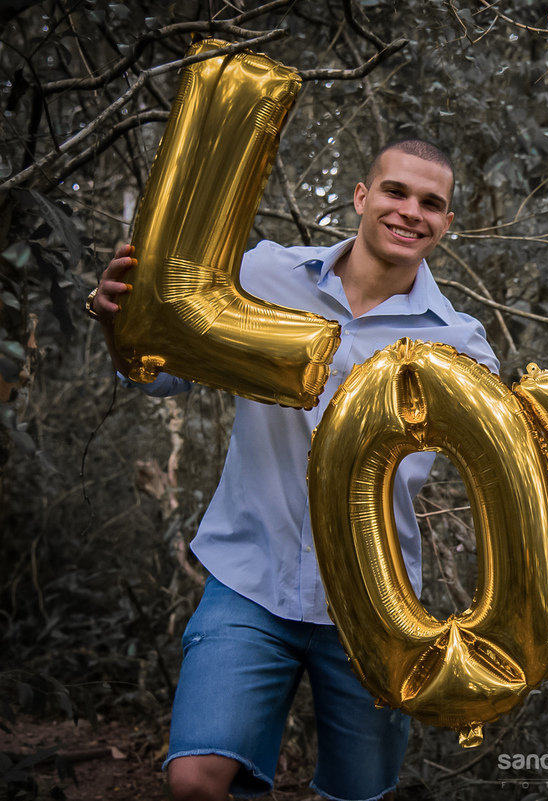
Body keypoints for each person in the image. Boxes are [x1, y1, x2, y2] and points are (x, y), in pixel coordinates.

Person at [88, 139, 498, 801]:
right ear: (362, 196)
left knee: (360, 793)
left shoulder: (462, 343)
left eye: (432, 203)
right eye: (395, 191)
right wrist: (121, 323)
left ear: (447, 222)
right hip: (251, 577)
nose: (411, 211)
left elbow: (502, 477)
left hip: (376, 604)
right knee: (195, 779)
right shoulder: (262, 276)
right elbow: (164, 380)